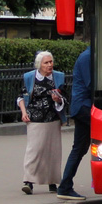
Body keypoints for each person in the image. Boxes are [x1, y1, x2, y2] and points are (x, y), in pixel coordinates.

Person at [18, 50, 66, 195]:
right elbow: (21, 97)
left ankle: (52, 182)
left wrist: (58, 100)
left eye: (51, 62)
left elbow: (65, 97)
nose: (49, 65)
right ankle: (28, 181)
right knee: (35, 150)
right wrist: (24, 112)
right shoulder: (29, 77)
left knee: (52, 151)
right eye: (46, 62)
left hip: (53, 118)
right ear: (39, 65)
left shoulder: (59, 77)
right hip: (35, 118)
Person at [56, 47, 92, 201]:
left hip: (83, 106)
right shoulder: (88, 57)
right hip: (84, 106)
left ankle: (65, 186)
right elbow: (92, 84)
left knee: (80, 148)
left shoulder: (90, 55)